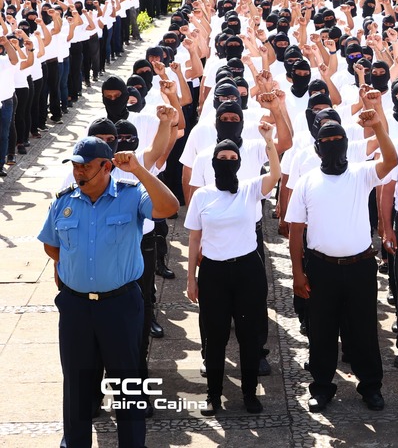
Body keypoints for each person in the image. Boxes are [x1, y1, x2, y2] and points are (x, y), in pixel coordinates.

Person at [38, 137, 179, 448]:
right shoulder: (64, 203)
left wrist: (139, 170)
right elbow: (52, 246)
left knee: (127, 383)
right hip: (75, 307)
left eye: (85, 166)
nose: (78, 172)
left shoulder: (130, 197)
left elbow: (169, 207)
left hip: (119, 306)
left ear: (107, 167)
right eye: (75, 166)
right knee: (76, 382)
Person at [286, 109, 397, 413]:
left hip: (360, 266)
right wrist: (298, 273)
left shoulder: (361, 173)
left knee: (363, 330)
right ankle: (322, 388)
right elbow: (295, 231)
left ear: (347, 143)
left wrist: (377, 126)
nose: (334, 143)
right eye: (327, 140)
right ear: (318, 147)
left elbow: (391, 161)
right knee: (321, 331)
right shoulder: (307, 181)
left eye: (339, 139)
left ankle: (371, 386)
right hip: (321, 268)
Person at [185, 121, 282, 416]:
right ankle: (213, 395)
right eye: (222, 158)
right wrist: (191, 277)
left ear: (240, 163)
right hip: (213, 272)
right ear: (214, 162)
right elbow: (193, 237)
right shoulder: (202, 195)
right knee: (214, 336)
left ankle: (250, 392)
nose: (228, 162)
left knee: (249, 335)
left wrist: (269, 141)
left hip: (247, 271)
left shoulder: (250, 189)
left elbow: (275, 175)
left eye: (233, 159)